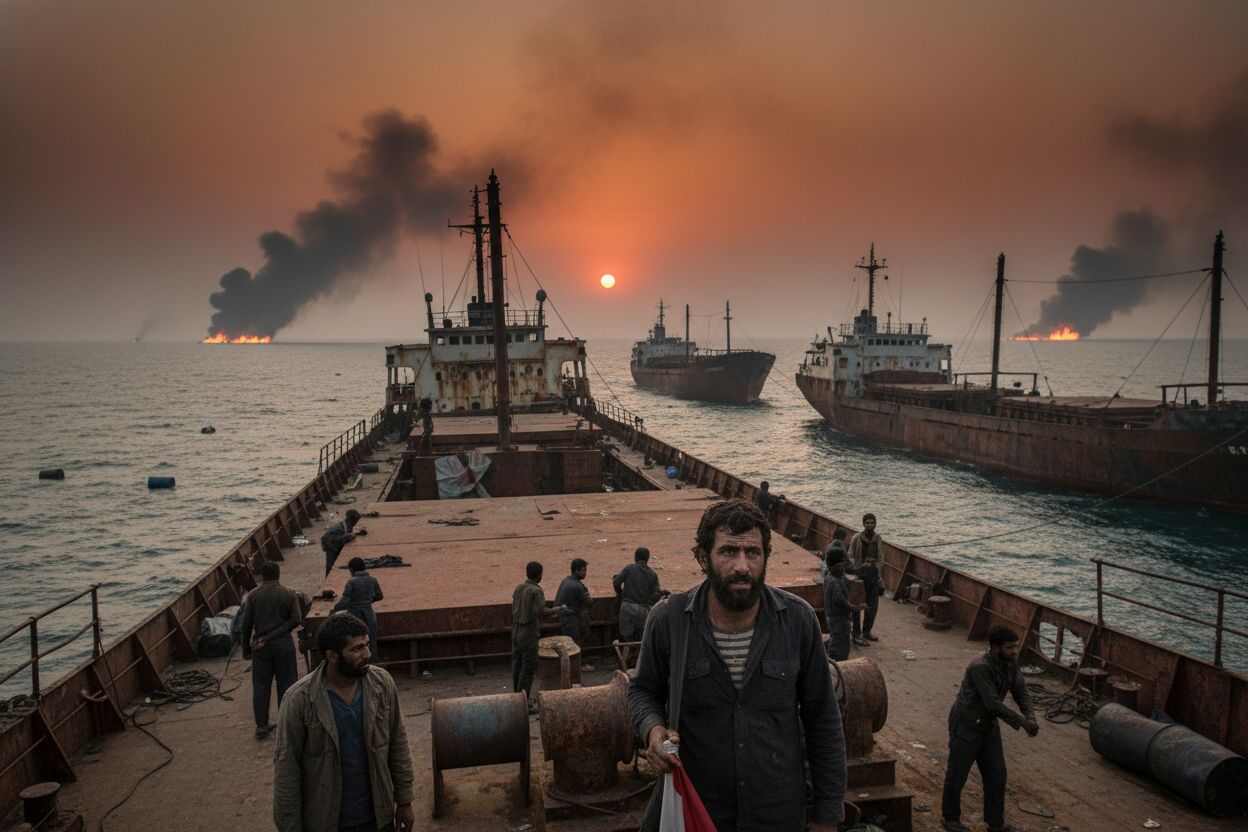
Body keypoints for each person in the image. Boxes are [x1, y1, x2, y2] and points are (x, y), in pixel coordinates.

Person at [629, 499, 847, 830]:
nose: (742, 566)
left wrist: (828, 816)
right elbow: (642, 691)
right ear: (704, 557)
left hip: (777, 816)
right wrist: (653, 730)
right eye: (729, 551)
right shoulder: (668, 621)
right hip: (697, 812)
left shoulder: (798, 621)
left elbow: (823, 721)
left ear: (765, 557)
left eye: (753, 553)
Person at [273, 612, 415, 832]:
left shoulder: (382, 684)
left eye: (367, 645)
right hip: (327, 822)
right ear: (332, 656)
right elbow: (287, 768)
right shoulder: (299, 700)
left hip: (379, 818)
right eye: (357, 649)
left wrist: (404, 801)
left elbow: (398, 742)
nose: (367, 654)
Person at [940, 625, 1039, 832]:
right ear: (995, 647)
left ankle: (995, 823)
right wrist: (1022, 722)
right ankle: (950, 819)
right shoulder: (980, 667)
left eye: (1016, 647)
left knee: (996, 774)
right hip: (966, 725)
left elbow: (1020, 690)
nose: (1015, 651)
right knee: (957, 774)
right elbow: (992, 703)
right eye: (1010, 647)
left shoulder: (1010, 664)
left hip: (988, 725)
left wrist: (1031, 716)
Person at [240, 560, 301, 739]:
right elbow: (296, 620)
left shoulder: (253, 595)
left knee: (260, 685)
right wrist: (277, 633)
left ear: (263, 575)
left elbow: (246, 625)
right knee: (287, 683)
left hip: (260, 647)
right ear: (278, 574)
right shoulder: (289, 593)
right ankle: (286, 723)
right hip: (283, 645)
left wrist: (246, 649)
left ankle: (261, 726)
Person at [510, 561, 568, 704]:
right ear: (539, 575)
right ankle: (523, 701)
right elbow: (542, 612)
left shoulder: (519, 588)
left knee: (517, 664)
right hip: (528, 633)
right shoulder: (536, 591)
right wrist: (559, 609)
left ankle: (516, 696)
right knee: (528, 668)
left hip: (516, 631)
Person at [333, 557, 384, 659]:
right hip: (370, 616)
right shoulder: (372, 580)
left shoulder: (351, 582)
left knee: (355, 643)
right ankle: (373, 663)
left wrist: (334, 609)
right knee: (371, 641)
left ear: (352, 569)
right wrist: (368, 602)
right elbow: (380, 596)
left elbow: (344, 602)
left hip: (355, 616)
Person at [554, 558, 595, 671]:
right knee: (575, 643)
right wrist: (586, 593)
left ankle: (577, 663)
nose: (585, 573)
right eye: (583, 571)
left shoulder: (566, 580)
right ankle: (578, 666)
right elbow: (590, 602)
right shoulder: (576, 586)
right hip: (570, 618)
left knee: (574, 641)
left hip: (565, 617)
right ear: (576, 571)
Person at [848, 513, 882, 645]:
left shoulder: (877, 538)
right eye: (867, 523)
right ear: (863, 524)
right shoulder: (857, 538)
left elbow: (881, 558)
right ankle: (856, 634)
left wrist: (879, 576)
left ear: (875, 524)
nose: (870, 525)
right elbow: (850, 555)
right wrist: (853, 572)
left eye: (872, 523)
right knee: (857, 605)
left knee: (872, 605)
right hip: (859, 576)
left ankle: (867, 631)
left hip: (872, 577)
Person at [822, 542, 854, 661]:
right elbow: (840, 601)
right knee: (837, 644)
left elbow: (847, 584)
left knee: (844, 642)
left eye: (843, 566)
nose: (843, 569)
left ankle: (841, 661)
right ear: (831, 567)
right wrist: (855, 608)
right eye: (840, 567)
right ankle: (833, 665)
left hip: (841, 617)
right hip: (836, 618)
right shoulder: (833, 581)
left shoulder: (837, 576)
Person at [322, 509, 367, 576]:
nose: (355, 523)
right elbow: (327, 538)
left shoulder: (347, 526)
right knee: (331, 567)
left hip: (335, 547)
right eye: (355, 521)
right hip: (331, 549)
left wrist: (355, 534)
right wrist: (346, 537)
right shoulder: (338, 528)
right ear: (351, 520)